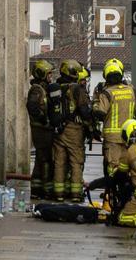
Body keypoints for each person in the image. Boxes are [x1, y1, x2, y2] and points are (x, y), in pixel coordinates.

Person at [51, 59, 92, 202]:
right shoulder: (76, 89)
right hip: (74, 129)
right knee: (76, 161)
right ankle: (75, 193)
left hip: (58, 130)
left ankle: (59, 194)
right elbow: (85, 111)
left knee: (59, 161)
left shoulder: (56, 87)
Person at [93, 58, 136, 176]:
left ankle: (111, 191)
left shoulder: (106, 93)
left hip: (112, 139)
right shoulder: (132, 90)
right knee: (127, 165)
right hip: (129, 136)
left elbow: (99, 114)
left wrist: (95, 101)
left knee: (112, 166)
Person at [26, 59, 58, 200]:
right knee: (45, 160)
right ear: (42, 74)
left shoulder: (43, 89)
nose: (50, 77)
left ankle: (37, 189)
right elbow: (32, 107)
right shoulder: (37, 89)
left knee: (41, 159)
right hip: (41, 130)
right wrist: (43, 118)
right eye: (48, 74)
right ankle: (45, 189)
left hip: (45, 129)